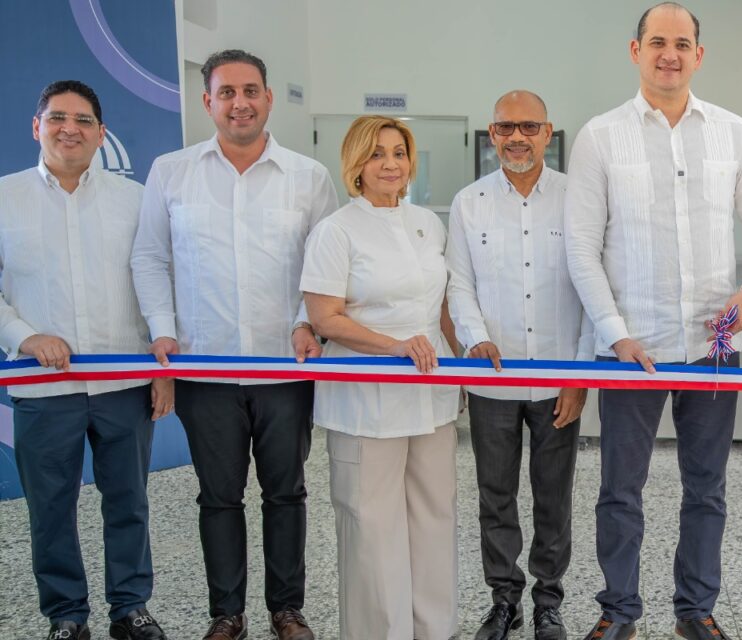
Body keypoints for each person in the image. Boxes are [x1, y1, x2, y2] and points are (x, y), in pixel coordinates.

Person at [564, 3, 742, 638]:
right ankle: (619, 611)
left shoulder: (733, 133)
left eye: (682, 43)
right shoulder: (600, 136)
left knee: (706, 490)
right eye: (657, 41)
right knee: (619, 492)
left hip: (712, 349)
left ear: (699, 54)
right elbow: (582, 247)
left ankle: (696, 609)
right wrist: (615, 331)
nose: (669, 53)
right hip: (630, 349)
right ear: (634, 51)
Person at [130, 50, 337, 640]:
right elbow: (150, 256)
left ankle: (286, 609)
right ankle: (228, 614)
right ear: (208, 103)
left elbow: (326, 266)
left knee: (286, 494)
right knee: (218, 498)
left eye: (250, 90)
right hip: (206, 370)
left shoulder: (308, 176)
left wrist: (308, 321)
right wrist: (162, 331)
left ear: (269, 98)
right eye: (226, 93)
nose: (239, 102)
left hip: (285, 370)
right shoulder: (171, 171)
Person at [0, 80, 172, 640]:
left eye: (82, 119)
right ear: (37, 126)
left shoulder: (136, 198)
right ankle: (66, 615)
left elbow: (157, 281)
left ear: (101, 133)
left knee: (128, 502)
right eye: (56, 117)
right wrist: (24, 336)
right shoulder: (5, 197)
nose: (68, 128)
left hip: (123, 385)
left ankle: (130, 607)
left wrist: (161, 369)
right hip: (43, 390)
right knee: (51, 510)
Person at [302, 115, 461, 640]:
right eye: (377, 154)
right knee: (373, 528)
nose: (390, 164)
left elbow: (439, 309)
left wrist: (464, 362)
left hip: (431, 398)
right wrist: (394, 348)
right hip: (365, 401)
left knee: (434, 519)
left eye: (398, 152)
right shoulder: (336, 230)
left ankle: (433, 631)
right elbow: (326, 318)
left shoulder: (427, 223)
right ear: (355, 164)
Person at [447, 90, 592, 640]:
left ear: (548, 132)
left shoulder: (579, 198)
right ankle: (503, 598)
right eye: (506, 127)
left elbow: (592, 291)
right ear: (492, 133)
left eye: (529, 127)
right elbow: (459, 284)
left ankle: (548, 602)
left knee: (553, 497)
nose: (517, 137)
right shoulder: (470, 203)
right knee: (496, 496)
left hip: (559, 382)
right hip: (494, 379)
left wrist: (580, 376)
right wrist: (474, 340)